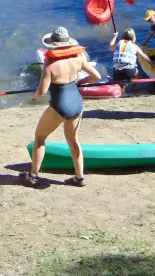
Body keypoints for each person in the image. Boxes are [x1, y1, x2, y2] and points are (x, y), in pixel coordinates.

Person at [22, 27, 101, 188]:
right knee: (73, 141)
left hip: (60, 105)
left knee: (39, 138)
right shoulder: (78, 57)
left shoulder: (50, 63)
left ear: (53, 44)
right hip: (77, 103)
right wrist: (80, 82)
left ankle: (33, 176)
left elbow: (43, 91)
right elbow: (96, 76)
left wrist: (34, 96)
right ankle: (80, 178)